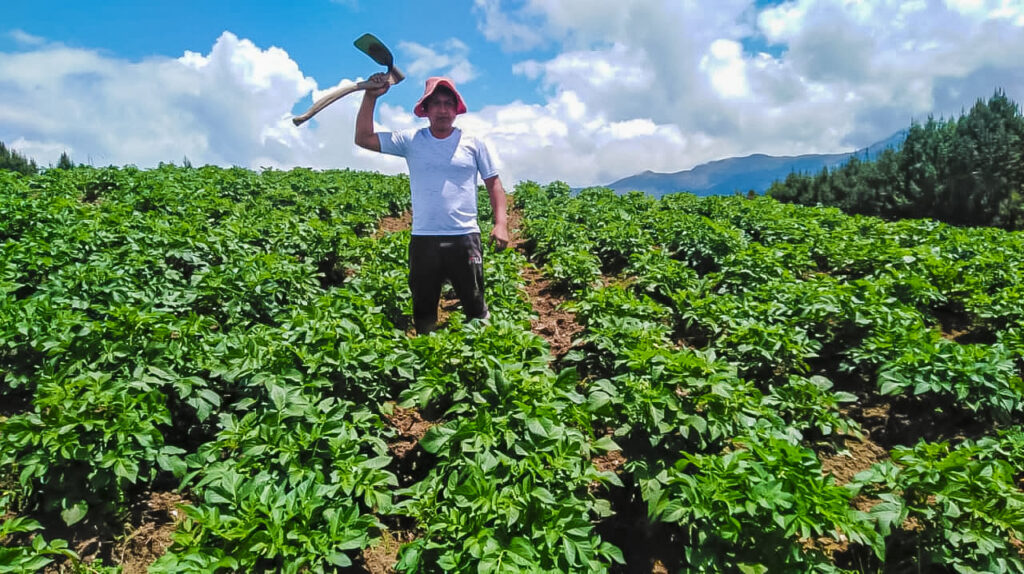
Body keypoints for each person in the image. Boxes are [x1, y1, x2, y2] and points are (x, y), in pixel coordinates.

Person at [355, 74, 511, 334]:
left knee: (475, 305)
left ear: (456, 109)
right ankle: (426, 351)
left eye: (448, 103)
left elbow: (494, 184)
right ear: (425, 109)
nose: (443, 110)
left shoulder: (473, 143)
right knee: (424, 309)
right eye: (436, 103)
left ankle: (482, 351)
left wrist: (501, 223)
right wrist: (370, 97)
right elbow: (363, 138)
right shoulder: (411, 140)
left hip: (465, 236)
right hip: (424, 238)